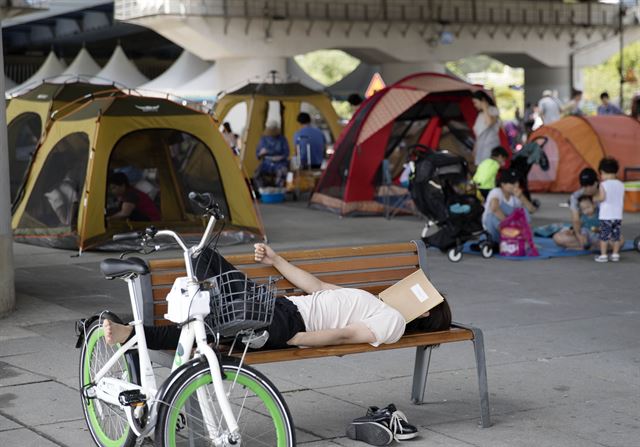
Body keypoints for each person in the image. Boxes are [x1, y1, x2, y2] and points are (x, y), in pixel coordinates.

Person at [103, 243, 452, 350]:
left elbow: (345, 335)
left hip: (287, 323)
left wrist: (294, 339)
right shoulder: (376, 301)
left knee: (206, 335)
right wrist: (275, 260)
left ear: (423, 313)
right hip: (276, 305)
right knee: (201, 256)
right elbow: (316, 288)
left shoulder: (393, 322)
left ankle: (133, 334)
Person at [481, 169, 537, 242]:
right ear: (503, 184)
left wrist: (521, 197)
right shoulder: (496, 192)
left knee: (523, 211)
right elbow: (494, 208)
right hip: (493, 232)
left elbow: (532, 210)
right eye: (512, 183)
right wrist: (511, 225)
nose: (516, 185)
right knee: (492, 216)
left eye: (517, 182)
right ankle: (515, 237)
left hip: (508, 231)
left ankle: (525, 238)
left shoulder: (515, 197)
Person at [553, 168, 600, 249]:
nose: (587, 189)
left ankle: (587, 246)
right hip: (584, 232)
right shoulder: (576, 196)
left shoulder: (604, 194)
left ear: (596, 183)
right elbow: (576, 219)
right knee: (557, 238)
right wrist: (578, 234)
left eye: (590, 185)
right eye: (584, 186)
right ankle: (589, 245)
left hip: (599, 232)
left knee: (620, 241)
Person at [594, 157, 625, 263]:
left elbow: (602, 198)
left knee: (604, 236)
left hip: (606, 215)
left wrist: (595, 198)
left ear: (602, 172)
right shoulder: (621, 184)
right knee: (616, 236)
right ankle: (615, 254)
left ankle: (603, 255)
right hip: (617, 215)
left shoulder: (603, 184)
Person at [254, 121, 290, 188]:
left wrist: (280, 157)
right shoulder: (263, 139)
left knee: (282, 172)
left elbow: (287, 153)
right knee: (257, 173)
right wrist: (261, 153)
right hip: (266, 163)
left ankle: (278, 190)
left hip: (280, 163)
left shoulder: (282, 139)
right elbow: (257, 155)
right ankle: (262, 190)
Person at [471, 90, 501, 166]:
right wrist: (475, 149)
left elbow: (489, 123)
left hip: (490, 147)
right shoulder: (480, 114)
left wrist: (485, 108)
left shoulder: (493, 110)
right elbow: (478, 135)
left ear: (483, 100)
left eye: (475, 102)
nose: (474, 105)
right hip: (481, 147)